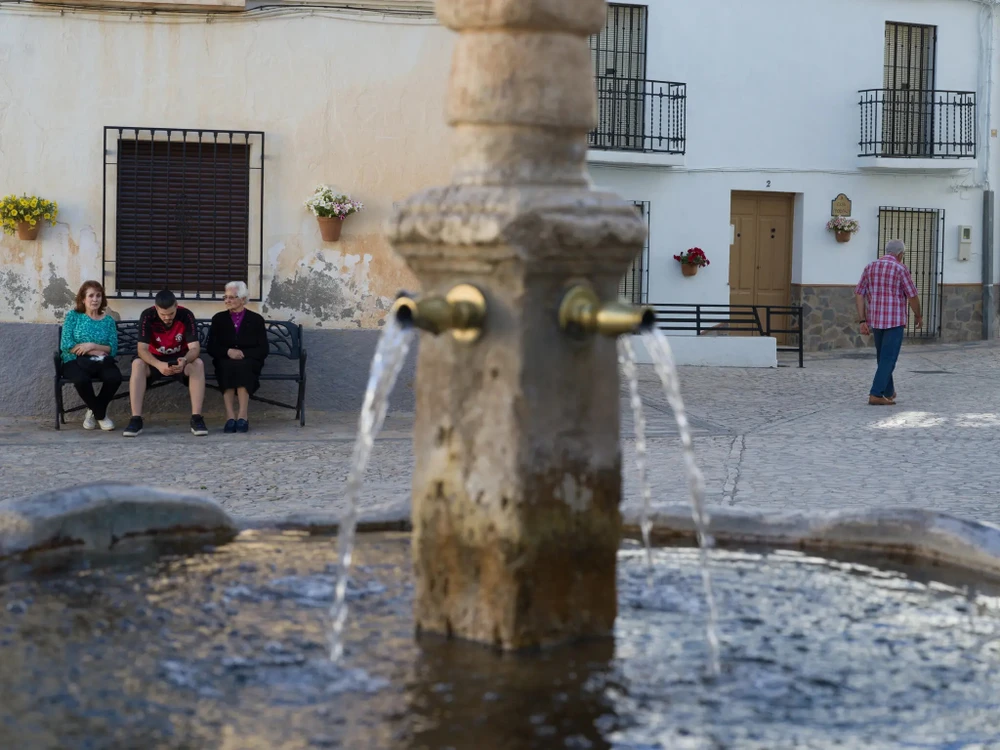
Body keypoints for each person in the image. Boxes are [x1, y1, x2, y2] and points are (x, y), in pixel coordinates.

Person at [123, 289, 208, 437]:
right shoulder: (147, 315)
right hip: (154, 360)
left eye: (171, 314)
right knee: (137, 365)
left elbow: (195, 348)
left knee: (198, 364)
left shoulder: (186, 315)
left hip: (180, 359)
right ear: (156, 308)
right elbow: (142, 350)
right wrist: (158, 364)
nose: (167, 318)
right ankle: (136, 419)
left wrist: (185, 360)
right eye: (163, 314)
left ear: (176, 305)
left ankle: (197, 418)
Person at [854, 239, 923, 406]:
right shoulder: (900, 268)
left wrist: (862, 319)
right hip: (894, 320)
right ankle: (876, 394)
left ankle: (888, 391)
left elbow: (859, 294)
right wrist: (918, 315)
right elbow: (912, 295)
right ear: (900, 254)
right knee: (889, 358)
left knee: (882, 358)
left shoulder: (870, 267)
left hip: (876, 320)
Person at [207, 281, 268, 433]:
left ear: (243, 298)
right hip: (225, 359)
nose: (227, 301)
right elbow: (211, 347)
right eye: (225, 297)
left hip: (249, 361)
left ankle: (242, 415)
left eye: (232, 297)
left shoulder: (256, 320)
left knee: (244, 367)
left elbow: (263, 348)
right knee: (226, 366)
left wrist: (244, 354)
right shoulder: (218, 319)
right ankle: (229, 416)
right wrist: (228, 352)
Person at [60, 281, 122, 431]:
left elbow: (112, 348)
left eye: (98, 295)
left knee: (114, 377)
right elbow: (66, 344)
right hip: (73, 360)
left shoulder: (108, 321)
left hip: (100, 360)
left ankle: (92, 411)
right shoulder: (73, 317)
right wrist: (89, 350)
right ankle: (100, 414)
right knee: (81, 380)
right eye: (91, 296)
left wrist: (93, 346)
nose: (95, 299)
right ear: (83, 299)